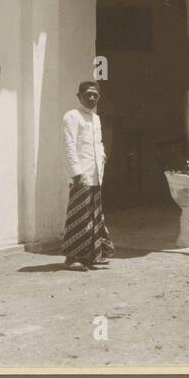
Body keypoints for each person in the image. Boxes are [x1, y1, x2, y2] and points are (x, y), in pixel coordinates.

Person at [61, 81, 114, 271]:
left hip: (96, 174)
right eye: (88, 94)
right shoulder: (72, 117)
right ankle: (72, 258)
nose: (91, 98)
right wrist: (76, 173)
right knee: (79, 216)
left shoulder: (96, 118)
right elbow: (69, 147)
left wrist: (103, 157)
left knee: (94, 216)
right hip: (81, 176)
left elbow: (98, 143)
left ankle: (93, 255)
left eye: (95, 95)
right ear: (79, 96)